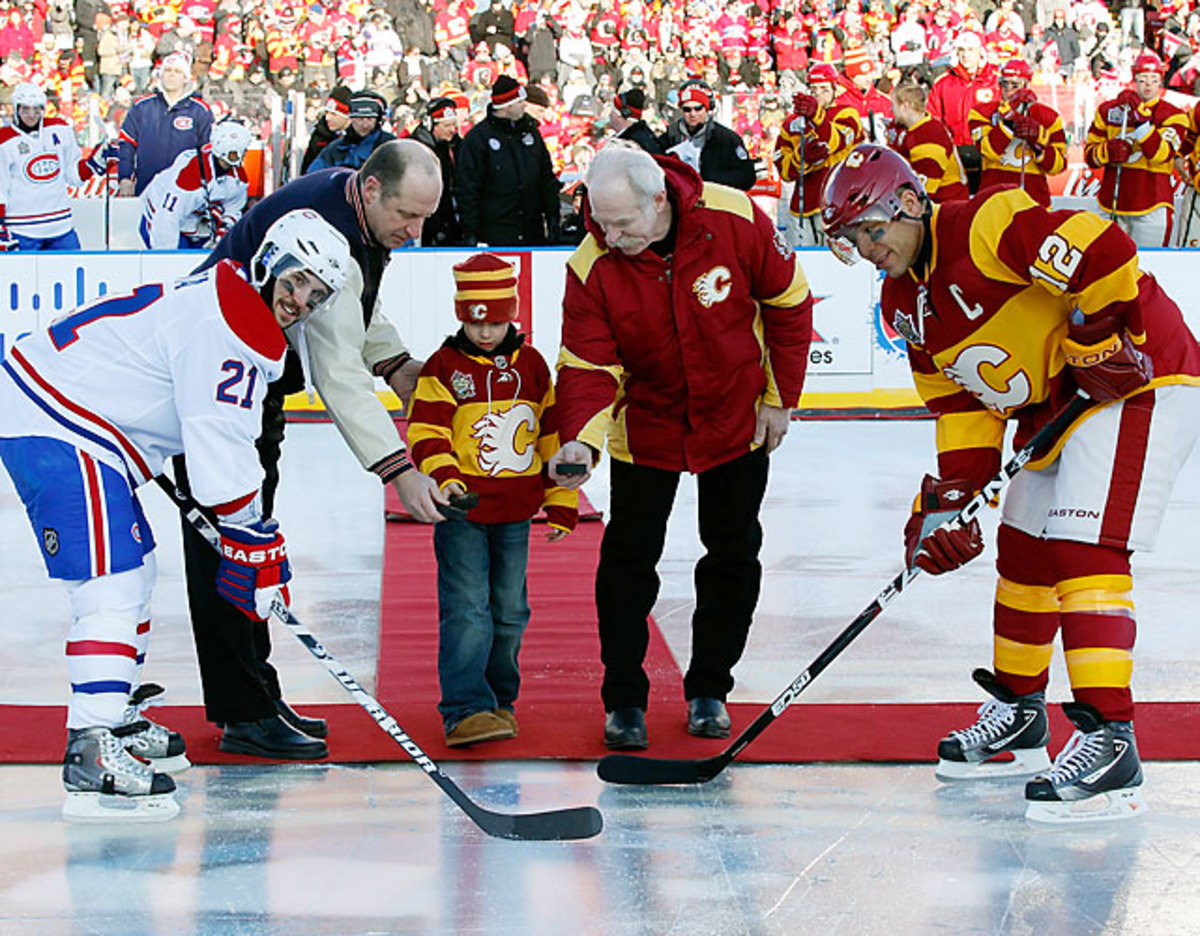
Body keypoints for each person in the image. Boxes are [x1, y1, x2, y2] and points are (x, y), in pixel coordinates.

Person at [820, 144, 1200, 823]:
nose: (867, 248)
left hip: (1142, 379)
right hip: (1059, 408)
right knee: (1023, 551)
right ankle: (1021, 714)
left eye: (871, 230)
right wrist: (951, 499)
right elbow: (958, 404)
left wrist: (1096, 339)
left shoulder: (984, 223)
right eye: (853, 240)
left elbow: (1103, 247)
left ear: (908, 203)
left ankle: (1112, 739)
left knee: (1084, 549)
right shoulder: (903, 301)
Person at [0, 209, 352, 821]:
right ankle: (91, 745)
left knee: (134, 572)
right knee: (109, 584)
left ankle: (116, 716)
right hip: (58, 419)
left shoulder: (228, 304)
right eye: (295, 281)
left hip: (74, 417)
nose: (300, 300)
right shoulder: (233, 326)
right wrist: (252, 536)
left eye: (315, 294)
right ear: (269, 264)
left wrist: (250, 536)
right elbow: (220, 446)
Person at [176, 140, 449, 760]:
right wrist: (398, 469)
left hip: (244, 383)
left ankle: (257, 697)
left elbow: (352, 306)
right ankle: (243, 712)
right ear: (373, 190)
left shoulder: (355, 209)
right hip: (212, 388)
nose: (415, 231)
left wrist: (396, 361)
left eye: (424, 219)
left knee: (249, 545)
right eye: (408, 216)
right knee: (228, 549)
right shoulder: (328, 227)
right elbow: (335, 369)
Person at [548, 142, 813, 750]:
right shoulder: (592, 263)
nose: (608, 237)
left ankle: (710, 689)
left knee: (732, 552)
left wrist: (780, 398)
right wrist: (581, 444)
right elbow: (588, 364)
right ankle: (623, 702)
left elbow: (790, 308)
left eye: (621, 224)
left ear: (659, 201)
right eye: (599, 222)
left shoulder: (737, 218)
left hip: (734, 414)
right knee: (627, 563)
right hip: (647, 426)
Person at [407, 253, 578, 747]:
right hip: (462, 511)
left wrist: (562, 498)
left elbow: (551, 437)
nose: (485, 333)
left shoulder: (532, 366)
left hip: (516, 512)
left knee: (508, 609)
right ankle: (465, 708)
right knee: (466, 608)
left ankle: (499, 701)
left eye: (497, 320)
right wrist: (445, 476)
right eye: (474, 321)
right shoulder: (443, 366)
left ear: (513, 313)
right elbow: (426, 430)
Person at [1084, 51, 1187, 248]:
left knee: (1150, 266)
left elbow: (1160, 155)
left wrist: (1141, 123)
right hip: (1112, 201)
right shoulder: (1108, 110)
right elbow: (1090, 155)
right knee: (1109, 263)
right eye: (1143, 79)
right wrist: (1108, 150)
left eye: (1154, 79)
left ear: (1160, 82)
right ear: (1134, 80)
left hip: (1153, 204)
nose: (1148, 84)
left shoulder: (1174, 115)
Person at [0, 82, 116, 250]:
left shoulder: (59, 129)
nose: (31, 115)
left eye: (36, 109)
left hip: (61, 227)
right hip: (22, 229)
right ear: (16, 109)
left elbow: (74, 176)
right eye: (25, 110)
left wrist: (95, 161)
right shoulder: (4, 141)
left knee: (72, 272)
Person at [457, 75, 561, 246]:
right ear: (508, 105)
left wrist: (552, 217)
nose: (524, 106)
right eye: (520, 102)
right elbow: (468, 187)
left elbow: (546, 178)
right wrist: (471, 231)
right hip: (495, 233)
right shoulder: (478, 138)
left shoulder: (531, 133)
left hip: (531, 231)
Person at [775, 64, 865, 246]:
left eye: (824, 89)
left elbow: (834, 142)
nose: (818, 93)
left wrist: (816, 114)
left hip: (839, 206)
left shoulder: (847, 114)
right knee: (800, 265)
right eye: (814, 89)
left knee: (837, 266)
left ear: (834, 90)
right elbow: (783, 169)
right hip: (801, 207)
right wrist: (800, 159)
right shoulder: (792, 122)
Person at [967, 58, 1067, 207]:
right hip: (993, 201)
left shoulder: (1049, 117)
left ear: (1027, 85)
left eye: (1015, 85)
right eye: (1004, 84)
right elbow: (988, 150)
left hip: (1035, 201)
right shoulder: (981, 113)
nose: (1008, 91)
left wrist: (1038, 140)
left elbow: (1058, 166)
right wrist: (1008, 122)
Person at [139, 119, 252, 249]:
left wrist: (221, 237)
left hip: (194, 222)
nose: (242, 156)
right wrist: (168, 257)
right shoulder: (190, 176)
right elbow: (167, 218)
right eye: (235, 153)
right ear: (224, 152)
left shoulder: (238, 178)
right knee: (180, 262)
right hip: (159, 217)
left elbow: (233, 209)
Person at [117, 52, 213, 197]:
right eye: (167, 70)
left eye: (177, 71)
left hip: (185, 195)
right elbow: (126, 144)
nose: (171, 75)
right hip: (146, 189)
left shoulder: (200, 110)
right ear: (160, 75)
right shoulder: (142, 107)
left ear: (185, 77)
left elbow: (207, 152)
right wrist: (125, 178)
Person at [927, 32, 999, 194]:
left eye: (971, 50)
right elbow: (933, 118)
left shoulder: (994, 82)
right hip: (954, 153)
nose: (965, 55)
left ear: (980, 52)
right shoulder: (943, 83)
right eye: (961, 50)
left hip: (986, 153)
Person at [658, 79, 757, 191]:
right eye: (687, 109)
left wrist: (710, 178)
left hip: (715, 200)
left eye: (698, 108)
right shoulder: (669, 139)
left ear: (707, 108)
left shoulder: (726, 139)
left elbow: (747, 176)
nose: (693, 114)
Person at [888, 81, 968, 204]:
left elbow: (923, 190)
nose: (891, 109)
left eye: (894, 105)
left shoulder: (929, 136)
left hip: (945, 205)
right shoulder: (912, 127)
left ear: (905, 105)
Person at [410, 96, 467, 247]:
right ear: (431, 125)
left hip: (456, 223)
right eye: (447, 125)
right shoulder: (415, 149)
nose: (452, 130)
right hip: (429, 225)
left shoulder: (459, 147)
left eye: (454, 125)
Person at [307, 90, 398, 172]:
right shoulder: (335, 150)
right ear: (351, 119)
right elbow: (313, 178)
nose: (365, 124)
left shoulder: (391, 146)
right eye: (360, 119)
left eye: (370, 119)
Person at [301, 86, 353, 173]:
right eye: (327, 113)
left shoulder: (357, 138)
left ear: (347, 116)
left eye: (333, 114)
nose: (327, 118)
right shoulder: (319, 135)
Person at [608, 88, 662, 155]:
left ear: (622, 114)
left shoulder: (632, 146)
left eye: (613, 110)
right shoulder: (641, 136)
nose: (609, 114)